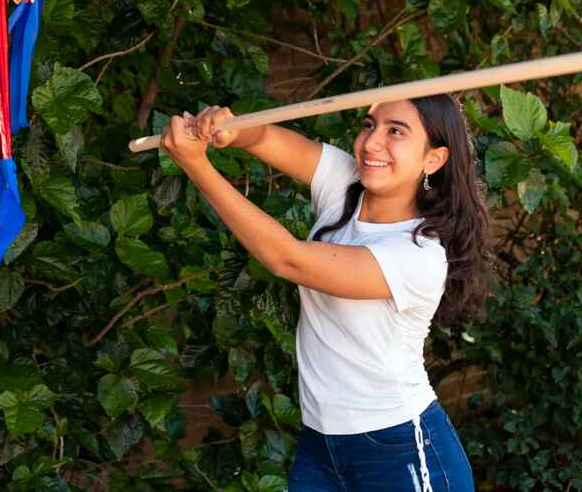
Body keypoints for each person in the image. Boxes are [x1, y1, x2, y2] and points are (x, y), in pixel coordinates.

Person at [160, 94, 490, 491]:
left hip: (398, 447)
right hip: (320, 443)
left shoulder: (417, 255)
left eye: (396, 132)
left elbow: (289, 260)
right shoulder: (346, 185)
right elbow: (262, 135)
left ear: (433, 159)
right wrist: (230, 129)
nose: (371, 143)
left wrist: (196, 165)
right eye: (370, 125)